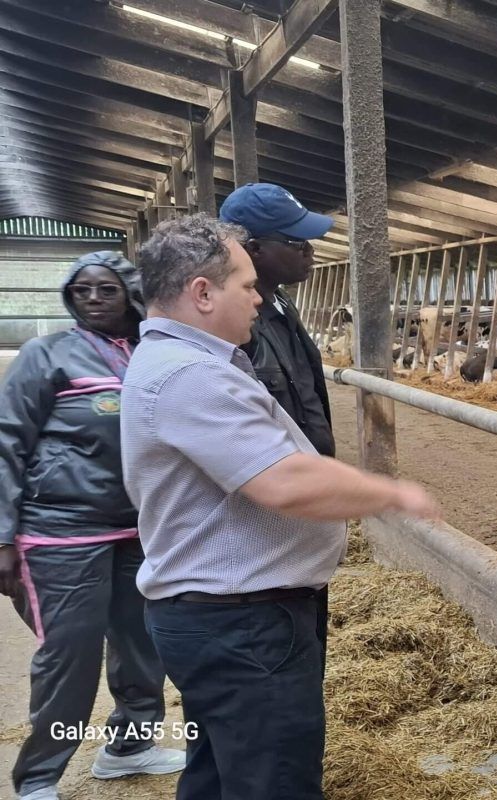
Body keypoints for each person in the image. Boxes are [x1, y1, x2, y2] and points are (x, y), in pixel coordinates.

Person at [122, 214, 440, 800]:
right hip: (242, 626)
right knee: (273, 782)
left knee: (219, 773)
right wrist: (393, 493)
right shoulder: (190, 376)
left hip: (225, 618)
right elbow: (284, 482)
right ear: (202, 293)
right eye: (247, 286)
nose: (257, 298)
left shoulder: (187, 362)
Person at [0, 252, 186, 800]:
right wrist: (2, 535)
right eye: (81, 290)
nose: (93, 299)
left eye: (106, 289)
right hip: (63, 530)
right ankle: (38, 778)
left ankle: (130, 746)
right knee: (70, 655)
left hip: (141, 526)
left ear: (130, 291)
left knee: (143, 643)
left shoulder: (154, 351)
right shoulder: (46, 354)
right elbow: (7, 442)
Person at [219, 182, 337, 457]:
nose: (310, 251)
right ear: (255, 249)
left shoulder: (282, 301)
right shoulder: (235, 325)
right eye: (297, 243)